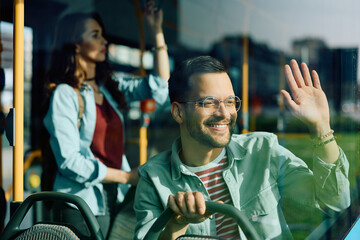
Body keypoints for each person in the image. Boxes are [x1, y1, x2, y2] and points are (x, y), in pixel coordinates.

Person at [133, 56, 350, 239]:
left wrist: (321, 127)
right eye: (209, 102)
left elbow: (336, 202)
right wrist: (175, 225)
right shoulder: (152, 179)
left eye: (229, 101)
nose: (225, 113)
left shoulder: (263, 150)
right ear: (179, 112)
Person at [42, 1, 170, 239]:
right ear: (75, 44)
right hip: (81, 202)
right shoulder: (65, 94)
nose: (104, 41)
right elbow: (69, 161)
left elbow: (159, 87)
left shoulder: (110, 89)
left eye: (103, 35)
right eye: (95, 35)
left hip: (114, 196)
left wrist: (157, 30)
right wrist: (125, 176)